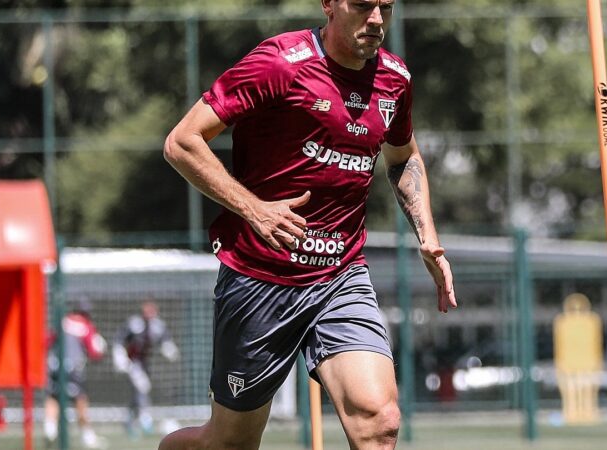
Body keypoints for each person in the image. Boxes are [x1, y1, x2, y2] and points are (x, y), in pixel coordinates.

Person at [160, 0, 457, 448]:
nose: (376, 19)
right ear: (329, 4)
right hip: (260, 278)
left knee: (380, 421)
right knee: (228, 444)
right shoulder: (280, 62)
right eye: (362, 5)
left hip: (341, 274)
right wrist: (255, 209)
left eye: (386, 7)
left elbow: (403, 156)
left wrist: (428, 236)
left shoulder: (395, 80)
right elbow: (182, 142)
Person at [44, 296, 107, 449]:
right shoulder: (86, 326)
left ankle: (50, 429)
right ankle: (88, 436)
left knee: (53, 397)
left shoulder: (62, 321)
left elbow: (47, 341)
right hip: (73, 369)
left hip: (54, 366)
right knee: (80, 400)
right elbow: (94, 352)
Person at [112, 300, 179, 437]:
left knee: (138, 392)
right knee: (143, 387)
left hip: (144, 363)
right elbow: (119, 340)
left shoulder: (158, 326)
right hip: (132, 362)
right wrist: (120, 357)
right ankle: (145, 419)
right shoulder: (133, 324)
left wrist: (169, 350)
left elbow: (165, 341)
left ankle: (129, 421)